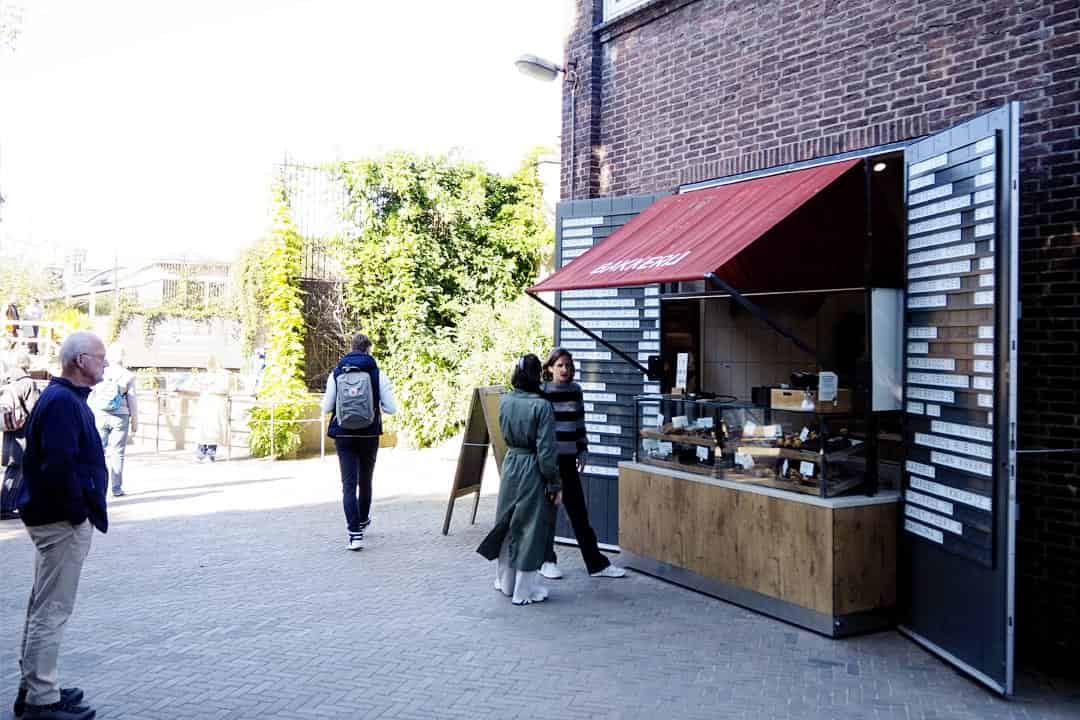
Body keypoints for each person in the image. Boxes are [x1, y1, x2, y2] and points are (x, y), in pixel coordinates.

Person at [13, 331, 107, 720]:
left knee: (43, 608)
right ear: (80, 360)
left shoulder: (61, 399)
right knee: (51, 611)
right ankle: (41, 700)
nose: (105, 364)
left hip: (55, 518)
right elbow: (58, 465)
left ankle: (36, 688)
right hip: (60, 522)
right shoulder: (63, 402)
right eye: (100, 358)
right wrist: (78, 512)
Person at [476, 354, 563, 606]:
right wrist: (555, 484)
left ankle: (505, 582)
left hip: (512, 463)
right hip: (533, 467)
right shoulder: (542, 406)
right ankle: (524, 591)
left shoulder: (505, 400)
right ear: (539, 375)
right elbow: (546, 450)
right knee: (531, 528)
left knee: (507, 524)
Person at [538, 347, 626, 580]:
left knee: (578, 513)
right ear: (549, 368)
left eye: (568, 365)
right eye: (560, 365)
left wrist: (583, 449)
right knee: (547, 512)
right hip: (548, 461)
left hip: (568, 459)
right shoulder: (542, 393)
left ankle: (596, 564)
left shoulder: (576, 391)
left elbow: (579, 422)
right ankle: (546, 560)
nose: (565, 369)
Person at [321, 333, 397, 551]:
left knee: (348, 485)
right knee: (365, 480)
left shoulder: (336, 373)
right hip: (369, 434)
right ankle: (363, 520)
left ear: (351, 348)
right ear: (368, 350)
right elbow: (391, 408)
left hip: (343, 435)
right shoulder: (377, 373)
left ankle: (354, 535)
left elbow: (326, 407)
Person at [89, 344, 138, 497]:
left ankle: (96, 486)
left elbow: (91, 393)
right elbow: (132, 399)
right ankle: (116, 488)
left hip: (100, 414)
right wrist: (135, 420)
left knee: (98, 451)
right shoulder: (128, 375)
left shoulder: (100, 372)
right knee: (118, 452)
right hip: (120, 416)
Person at [1, 351, 39, 521]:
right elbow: (35, 410)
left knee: (12, 468)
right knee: (17, 469)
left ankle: (8, 504)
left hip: (9, 430)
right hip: (23, 432)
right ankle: (6, 506)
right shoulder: (28, 383)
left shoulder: (7, 382)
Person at [192, 356, 229, 462]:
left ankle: (210, 454)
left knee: (214, 430)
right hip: (205, 404)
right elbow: (198, 387)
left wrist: (210, 388)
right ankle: (200, 453)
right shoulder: (204, 376)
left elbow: (224, 389)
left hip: (216, 405)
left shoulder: (223, 375)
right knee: (202, 430)